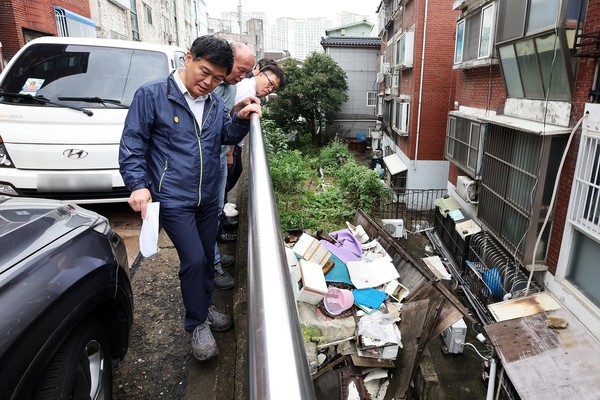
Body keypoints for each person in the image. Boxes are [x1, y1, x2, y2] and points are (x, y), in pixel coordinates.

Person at [119, 35, 262, 362]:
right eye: (205, 72)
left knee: (206, 261)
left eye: (218, 78)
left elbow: (223, 137)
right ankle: (197, 324)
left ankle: (205, 306)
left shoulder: (213, 104)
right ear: (188, 58)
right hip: (172, 198)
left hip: (207, 195)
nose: (209, 83)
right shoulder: (153, 96)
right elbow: (132, 146)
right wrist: (138, 185)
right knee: (195, 259)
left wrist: (239, 120)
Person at [208, 42, 255, 287]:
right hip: (204, 163)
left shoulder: (228, 88)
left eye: (248, 71)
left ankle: (214, 258)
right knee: (208, 214)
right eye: (242, 68)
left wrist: (237, 110)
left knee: (216, 208)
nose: (244, 75)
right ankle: (213, 265)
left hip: (215, 158)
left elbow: (222, 122)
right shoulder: (211, 87)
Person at [224, 63, 286, 201]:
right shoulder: (247, 89)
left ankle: (222, 209)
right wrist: (229, 152)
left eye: (273, 88)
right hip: (230, 144)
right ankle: (221, 214)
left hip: (232, 143)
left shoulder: (248, 88)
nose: (270, 89)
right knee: (228, 178)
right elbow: (229, 119)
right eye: (270, 83)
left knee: (236, 172)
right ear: (261, 74)